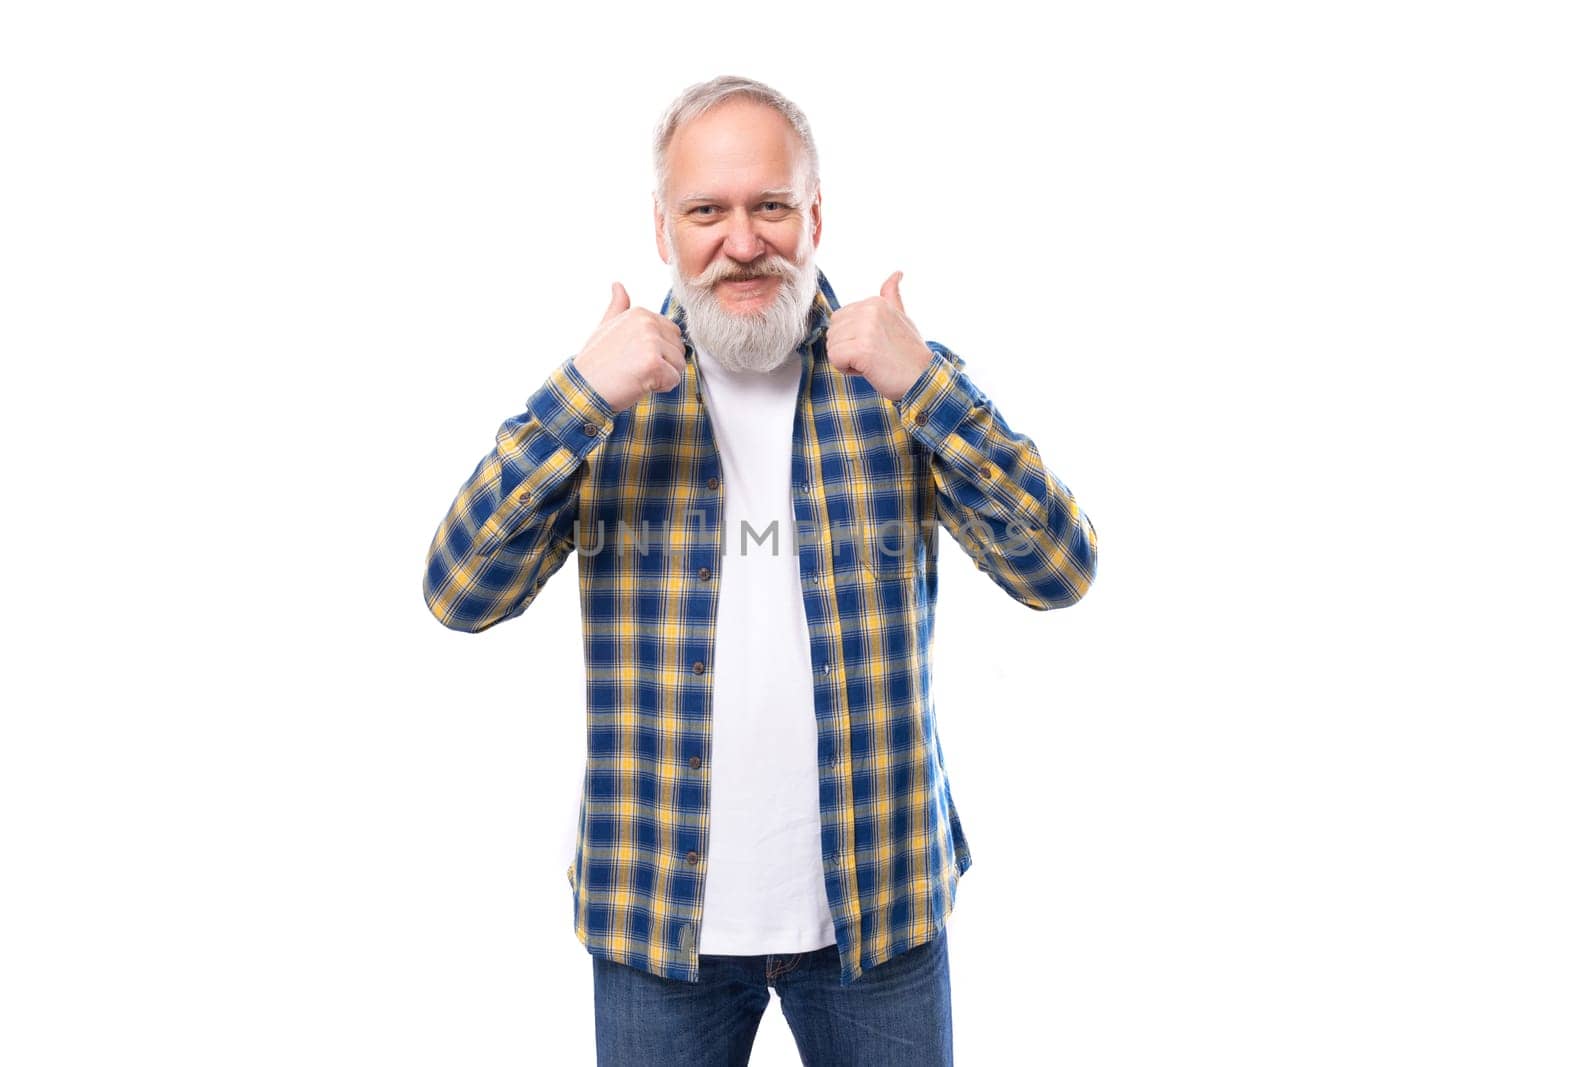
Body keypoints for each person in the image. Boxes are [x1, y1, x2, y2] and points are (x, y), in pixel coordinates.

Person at [422, 74, 1097, 1066]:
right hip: (658, 921)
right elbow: (456, 590)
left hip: (878, 912)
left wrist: (930, 386)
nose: (742, 242)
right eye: (708, 211)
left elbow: (1059, 569)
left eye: (770, 205)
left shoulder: (897, 380)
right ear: (664, 230)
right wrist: (577, 397)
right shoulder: (607, 398)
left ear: (814, 215)